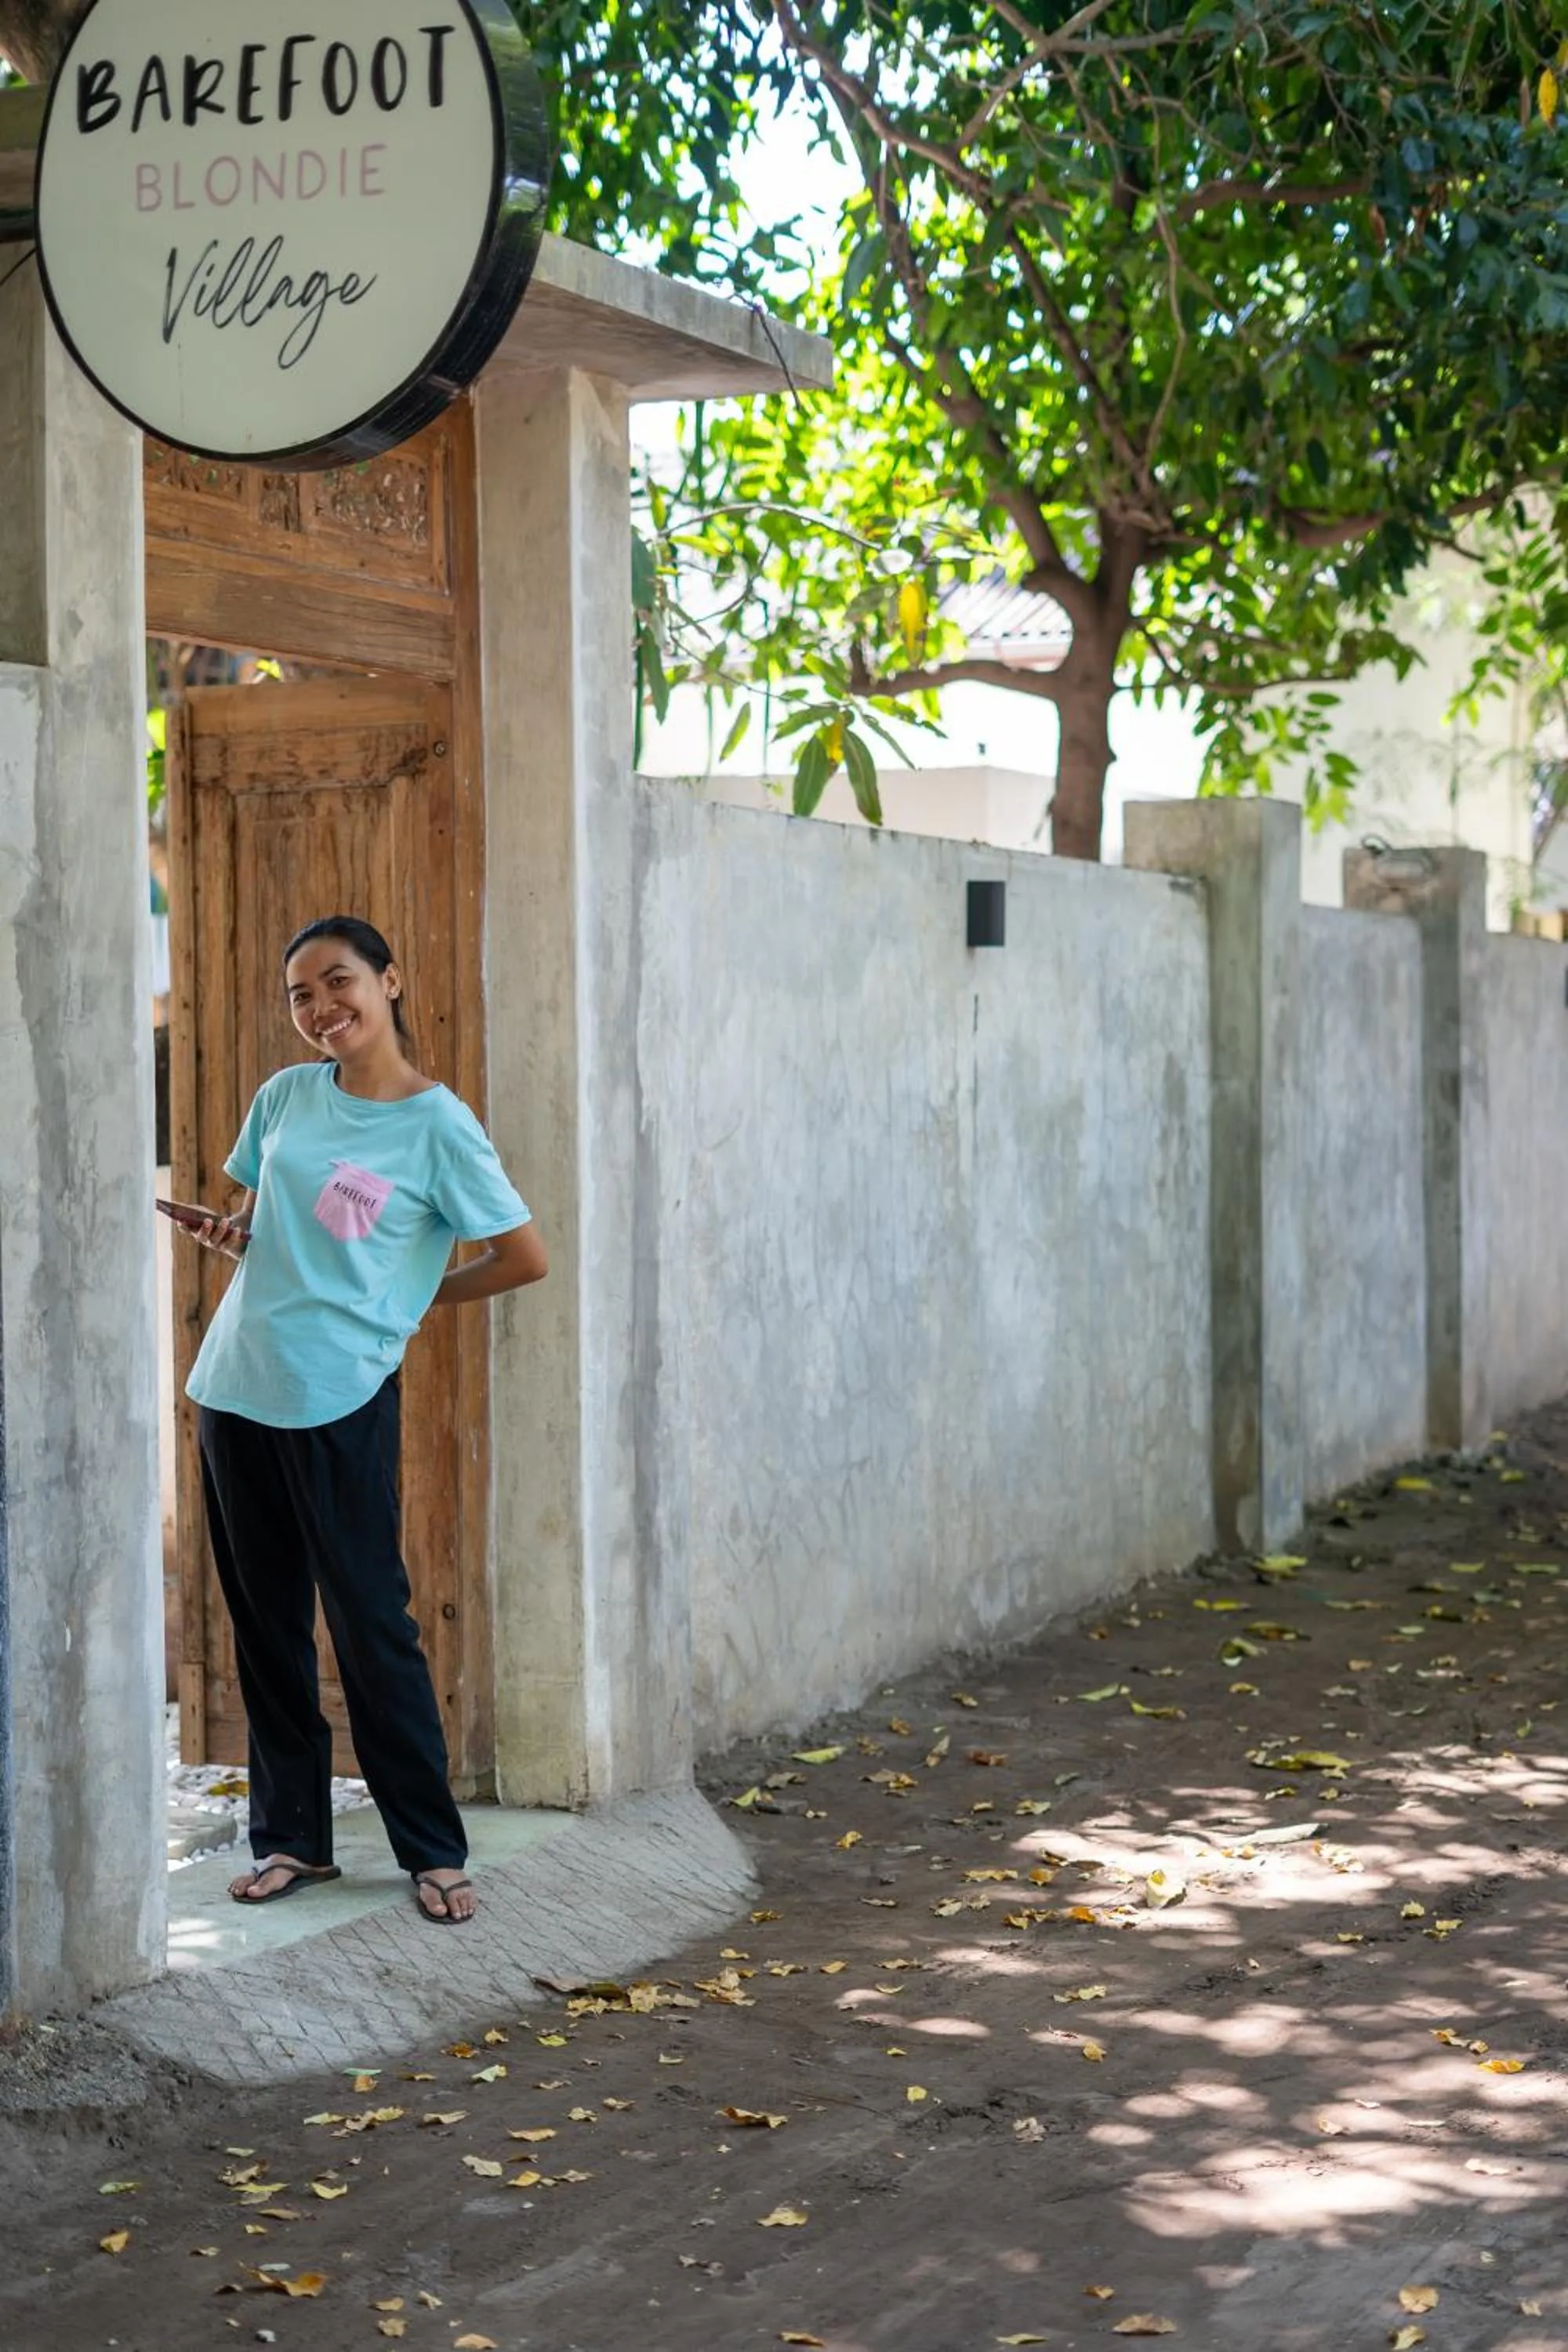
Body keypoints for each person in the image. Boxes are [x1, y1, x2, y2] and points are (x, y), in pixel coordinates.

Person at [180, 915, 546, 1926]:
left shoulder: (438, 1125)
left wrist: (413, 1302)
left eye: (337, 982)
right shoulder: (286, 1097)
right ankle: (293, 1840)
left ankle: (431, 1847)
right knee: (264, 1628)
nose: (319, 1008)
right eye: (300, 995)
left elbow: (524, 1256)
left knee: (371, 1626)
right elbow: (284, 1228)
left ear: (389, 981)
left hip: (340, 1396)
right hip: (236, 1388)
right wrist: (236, 1234)